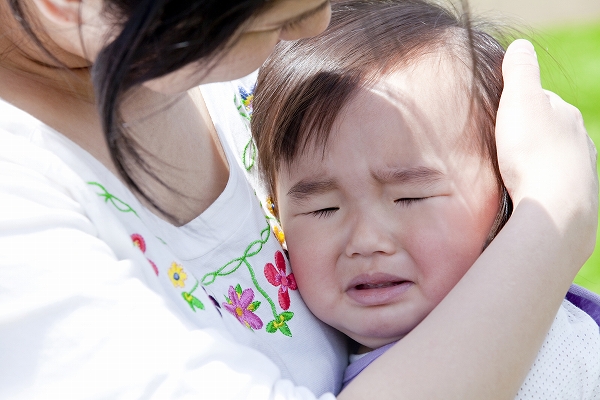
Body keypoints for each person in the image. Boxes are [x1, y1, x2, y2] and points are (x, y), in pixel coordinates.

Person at [0, 0, 596, 398]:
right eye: (274, 15)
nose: (315, 27)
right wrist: (550, 221)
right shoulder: (23, 220)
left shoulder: (280, 87)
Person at [250, 1, 600, 398]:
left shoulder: (550, 350)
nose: (366, 242)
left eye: (410, 198)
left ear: (507, 193)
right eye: (323, 208)